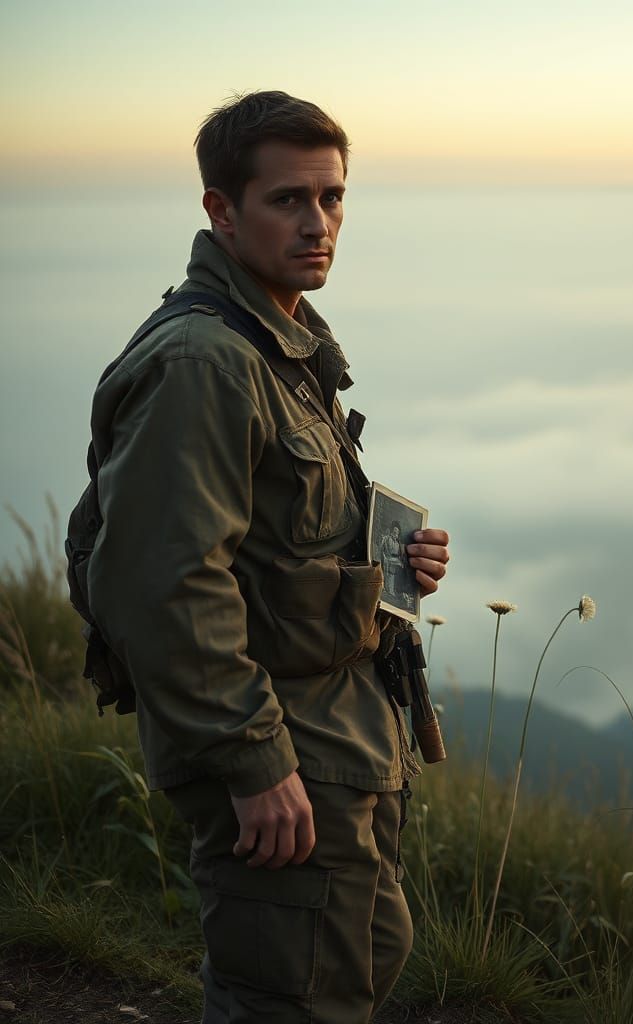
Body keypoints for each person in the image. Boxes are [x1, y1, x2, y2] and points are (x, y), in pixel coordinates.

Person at [83, 91, 450, 1023]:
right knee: (288, 999)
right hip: (282, 746)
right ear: (221, 209)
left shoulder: (277, 339)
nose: (318, 223)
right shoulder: (206, 362)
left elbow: (273, 531)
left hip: (340, 735)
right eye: (288, 199)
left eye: (331, 199)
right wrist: (252, 764)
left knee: (362, 959)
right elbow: (164, 582)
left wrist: (387, 558)